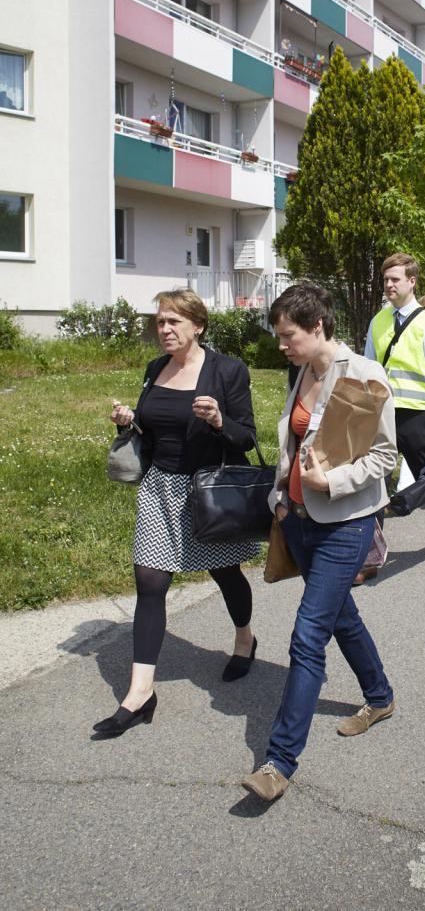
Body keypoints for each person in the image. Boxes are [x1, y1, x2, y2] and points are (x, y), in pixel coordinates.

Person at [241, 282, 396, 803]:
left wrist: (335, 483)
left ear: (318, 327)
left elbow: (384, 457)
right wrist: (279, 504)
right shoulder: (301, 372)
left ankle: (278, 762)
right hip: (299, 521)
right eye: (279, 336)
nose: (281, 345)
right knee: (340, 617)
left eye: (288, 335)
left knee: (308, 635)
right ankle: (380, 696)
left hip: (346, 523)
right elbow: (291, 448)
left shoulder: (364, 375)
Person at [95, 289, 260, 738]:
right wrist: (130, 423)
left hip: (208, 490)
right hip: (160, 489)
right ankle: (139, 694)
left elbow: (247, 438)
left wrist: (219, 422)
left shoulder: (227, 371)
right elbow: (154, 431)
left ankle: (244, 638)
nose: (164, 330)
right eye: (160, 322)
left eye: (173, 322)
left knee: (226, 572)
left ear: (198, 325)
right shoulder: (155, 370)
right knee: (150, 583)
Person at [365, 254, 425, 563]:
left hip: (417, 415)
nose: (389, 284)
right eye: (386, 280)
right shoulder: (378, 320)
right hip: (382, 414)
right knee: (373, 482)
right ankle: (370, 554)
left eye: (395, 279)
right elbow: (369, 368)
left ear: (412, 281)